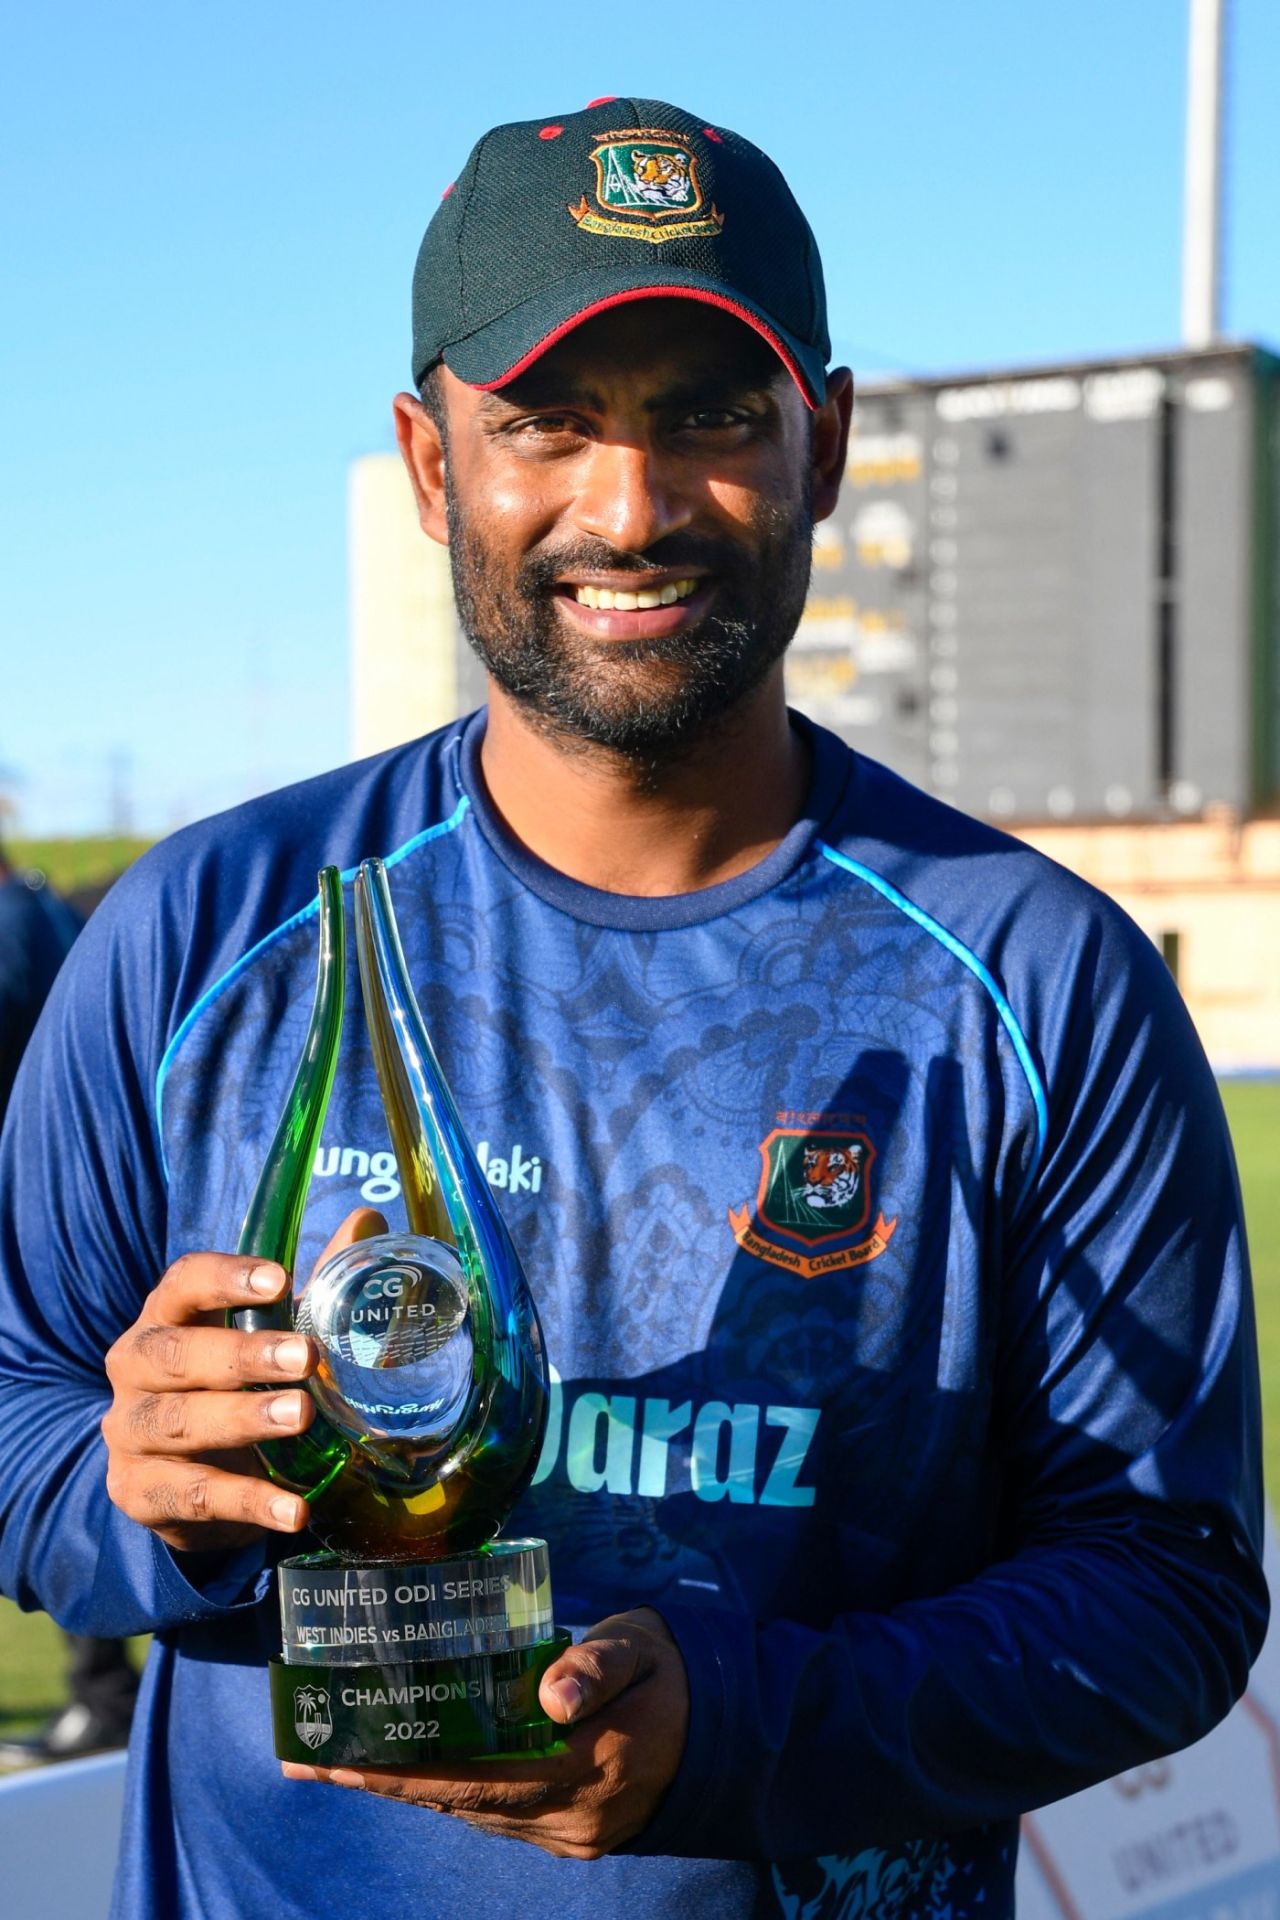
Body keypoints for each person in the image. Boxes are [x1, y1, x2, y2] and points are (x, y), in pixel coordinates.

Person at [0, 96, 1267, 1920]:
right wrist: (140, 1487)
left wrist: (742, 1730)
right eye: (546, 424)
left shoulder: (1044, 979)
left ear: (824, 444)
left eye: (712, 417)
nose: (632, 506)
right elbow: (18, 1426)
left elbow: (1168, 1590)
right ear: (432, 463)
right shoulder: (205, 934)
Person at [0, 847, 140, 1763]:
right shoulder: (45, 906)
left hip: (35, 1222)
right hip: (62, 1218)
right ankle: (104, 1689)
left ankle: (104, 1693)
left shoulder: (17, 924)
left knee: (66, 1435)